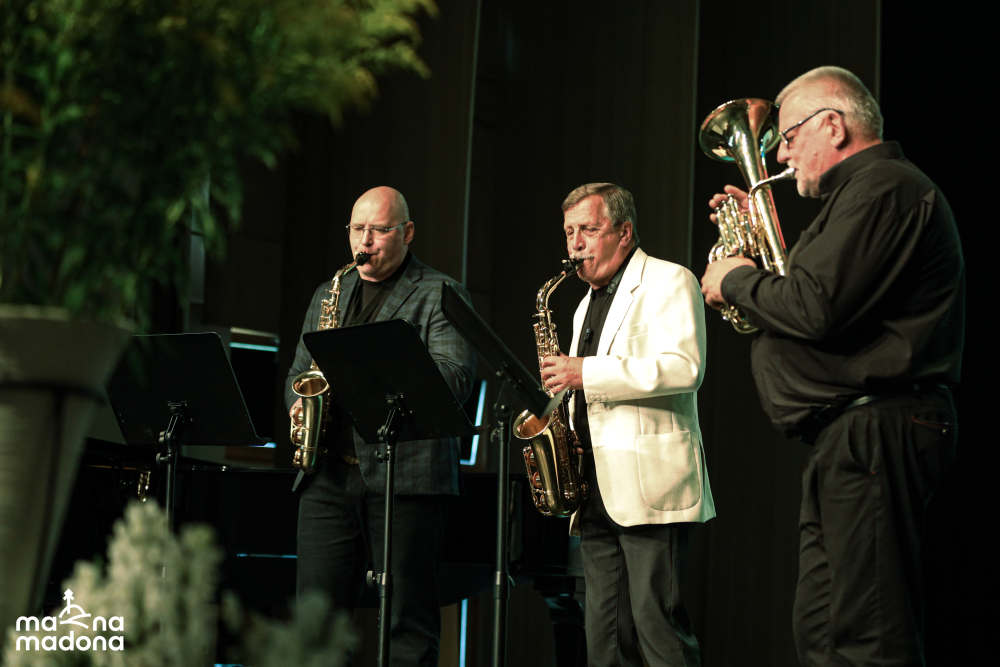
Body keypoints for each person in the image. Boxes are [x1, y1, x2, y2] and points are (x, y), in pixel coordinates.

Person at [700, 67, 964, 666]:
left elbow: (812, 306)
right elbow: (815, 299)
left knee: (869, 638)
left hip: (877, 427)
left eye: (788, 137)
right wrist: (756, 250)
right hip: (849, 436)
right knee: (821, 633)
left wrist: (735, 278)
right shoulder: (861, 197)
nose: (781, 154)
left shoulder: (883, 187)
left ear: (834, 126)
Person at [286, 186, 475, 667]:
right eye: (357, 229)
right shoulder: (329, 292)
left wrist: (364, 373)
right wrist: (298, 403)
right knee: (315, 628)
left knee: (408, 625)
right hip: (327, 476)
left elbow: (455, 377)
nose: (364, 242)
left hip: (406, 478)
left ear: (407, 233)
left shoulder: (440, 292)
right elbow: (298, 372)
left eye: (379, 230)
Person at [541, 183, 714, 666]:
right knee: (604, 642)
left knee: (659, 631)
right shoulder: (583, 303)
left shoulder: (669, 280)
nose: (576, 243)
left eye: (589, 229)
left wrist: (584, 372)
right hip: (594, 487)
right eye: (569, 232)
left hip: (651, 486)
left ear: (624, 231)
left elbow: (685, 368)